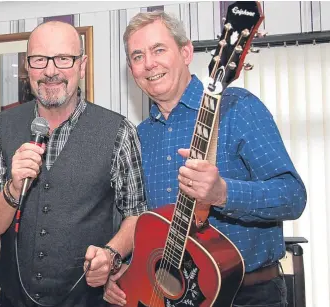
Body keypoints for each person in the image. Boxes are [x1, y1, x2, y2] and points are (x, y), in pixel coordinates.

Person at [103, 11, 307, 307]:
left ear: (185, 52)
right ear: (131, 69)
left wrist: (223, 193)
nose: (149, 63)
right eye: (137, 56)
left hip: (247, 295)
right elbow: (142, 222)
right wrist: (123, 271)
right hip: (164, 296)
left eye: (159, 49)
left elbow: (292, 196)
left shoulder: (237, 108)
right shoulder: (138, 137)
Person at [0, 20, 147, 307]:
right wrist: (12, 191)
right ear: (27, 66)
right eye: (40, 60)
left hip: (88, 301)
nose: (51, 71)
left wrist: (111, 254)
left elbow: (137, 215)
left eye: (64, 59)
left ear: (82, 65)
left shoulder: (120, 132)